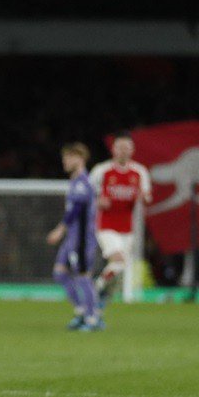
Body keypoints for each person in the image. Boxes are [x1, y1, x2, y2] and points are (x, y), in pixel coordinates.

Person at [89, 133, 153, 304]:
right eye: (120, 147)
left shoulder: (139, 172)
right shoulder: (101, 171)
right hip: (106, 226)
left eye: (127, 147)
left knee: (119, 266)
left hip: (127, 228)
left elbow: (147, 197)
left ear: (132, 150)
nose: (123, 151)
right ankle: (95, 288)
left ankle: (103, 295)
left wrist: (143, 197)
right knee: (119, 260)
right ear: (113, 149)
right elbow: (87, 196)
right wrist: (97, 201)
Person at [46, 143, 102, 331]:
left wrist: (60, 230)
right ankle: (81, 311)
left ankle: (93, 318)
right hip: (73, 238)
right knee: (60, 273)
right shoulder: (75, 180)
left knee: (83, 276)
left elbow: (76, 211)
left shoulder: (83, 182)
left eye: (69, 157)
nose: (65, 161)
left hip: (82, 239)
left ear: (80, 158)